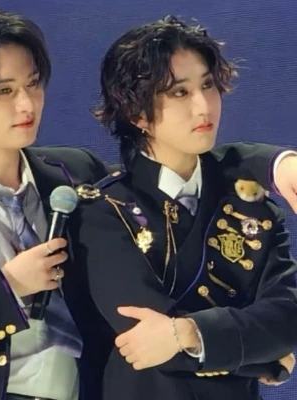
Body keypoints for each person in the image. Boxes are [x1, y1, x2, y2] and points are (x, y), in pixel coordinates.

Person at [0, 8, 296, 400]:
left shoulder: (75, 174)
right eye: (4, 91)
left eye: (33, 84)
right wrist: (8, 287)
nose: (27, 104)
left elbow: (175, 157)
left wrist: (275, 164)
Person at [71, 15, 297, 400]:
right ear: (137, 113)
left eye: (207, 85)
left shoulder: (253, 208)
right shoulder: (103, 211)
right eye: (180, 92)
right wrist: (269, 358)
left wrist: (188, 333)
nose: (203, 106)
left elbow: (288, 316)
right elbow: (147, 342)